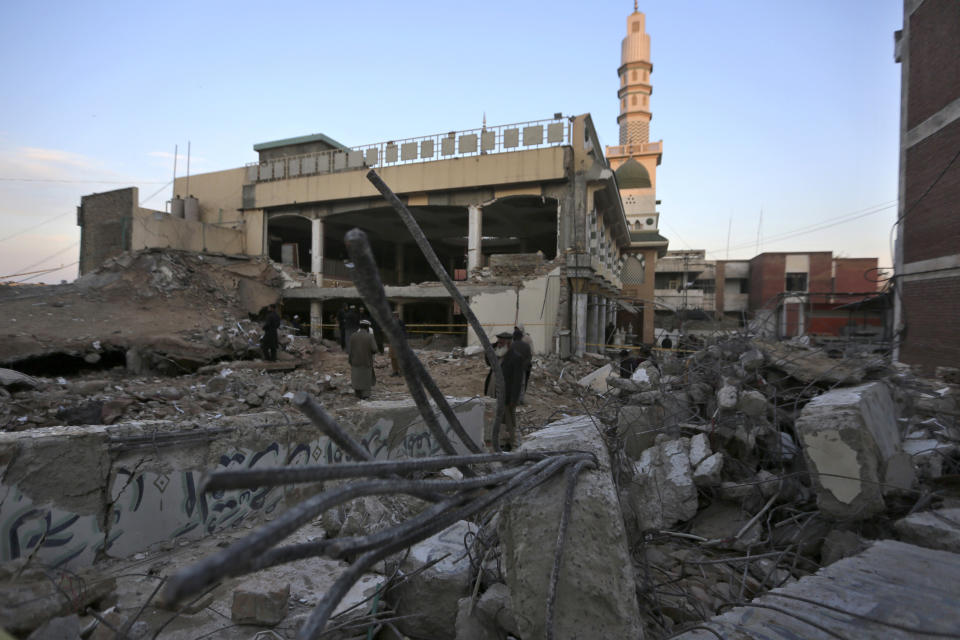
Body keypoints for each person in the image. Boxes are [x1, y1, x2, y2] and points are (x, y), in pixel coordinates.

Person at [485, 331, 525, 450]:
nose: (499, 343)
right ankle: (500, 442)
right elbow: (488, 361)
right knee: (495, 417)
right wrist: (491, 346)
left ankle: (512, 443)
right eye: (498, 341)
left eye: (502, 341)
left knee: (508, 420)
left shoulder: (516, 357)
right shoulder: (497, 353)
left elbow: (518, 381)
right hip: (493, 390)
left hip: (507, 395)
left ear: (509, 342)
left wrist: (514, 399)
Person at [349, 319, 378, 398]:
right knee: (365, 378)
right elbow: (375, 349)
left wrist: (350, 360)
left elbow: (350, 350)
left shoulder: (353, 335)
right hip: (366, 361)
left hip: (355, 361)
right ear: (368, 327)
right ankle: (365, 395)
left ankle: (357, 394)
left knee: (356, 378)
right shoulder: (370, 336)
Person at [511, 325, 533, 404]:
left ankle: (515, 399)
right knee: (522, 384)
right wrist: (524, 365)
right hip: (523, 368)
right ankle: (520, 399)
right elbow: (530, 356)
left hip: (513, 368)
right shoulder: (526, 346)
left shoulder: (512, 345)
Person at [389, 309, 406, 376]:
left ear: (397, 316)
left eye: (395, 316)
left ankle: (401, 371)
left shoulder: (401, 323)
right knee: (393, 357)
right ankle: (395, 371)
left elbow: (404, 332)